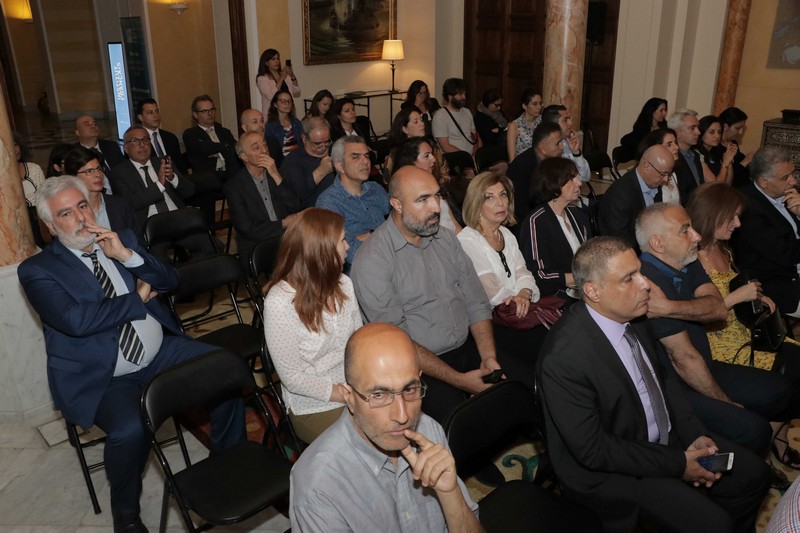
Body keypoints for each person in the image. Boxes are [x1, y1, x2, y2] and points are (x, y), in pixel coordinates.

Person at [17, 176, 245, 532]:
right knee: (129, 429)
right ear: (50, 226)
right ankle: (126, 512)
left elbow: (170, 281)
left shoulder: (122, 238)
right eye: (65, 213)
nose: (79, 217)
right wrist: (136, 299)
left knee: (227, 372)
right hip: (105, 375)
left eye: (82, 205)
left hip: (159, 352)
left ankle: (228, 466)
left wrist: (126, 256)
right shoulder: (37, 270)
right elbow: (77, 321)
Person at [538, 235, 770, 533]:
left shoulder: (635, 315)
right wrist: (677, 463)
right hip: (617, 469)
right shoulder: (564, 358)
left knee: (754, 476)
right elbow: (594, 450)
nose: (645, 284)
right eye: (629, 278)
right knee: (716, 525)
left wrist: (693, 433)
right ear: (593, 291)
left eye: (641, 272)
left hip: (664, 438)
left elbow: (663, 380)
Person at [351, 165, 534, 423]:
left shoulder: (445, 239)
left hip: (468, 347)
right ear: (397, 204)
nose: (436, 207)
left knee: (532, 388)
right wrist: (459, 381)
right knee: (461, 429)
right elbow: (398, 341)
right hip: (418, 367)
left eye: (436, 196)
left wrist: (488, 356)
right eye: (422, 200)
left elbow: (476, 303)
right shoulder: (373, 260)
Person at [289, 322, 481, 531]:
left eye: (409, 389)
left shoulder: (428, 429)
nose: (402, 416)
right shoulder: (318, 487)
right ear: (349, 398)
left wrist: (449, 493)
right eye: (379, 395)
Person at [636, 203, 790, 457]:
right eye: (685, 230)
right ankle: (741, 470)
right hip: (674, 387)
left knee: (782, 389)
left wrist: (669, 307)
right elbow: (684, 359)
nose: (697, 236)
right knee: (754, 429)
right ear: (658, 244)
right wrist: (728, 405)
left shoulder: (687, 259)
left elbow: (717, 308)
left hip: (704, 363)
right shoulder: (648, 283)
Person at [688, 181, 800, 471]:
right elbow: (698, 313)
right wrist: (740, 295)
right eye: (733, 217)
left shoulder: (724, 249)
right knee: (788, 374)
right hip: (719, 340)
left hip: (743, 328)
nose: (738, 224)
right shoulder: (691, 257)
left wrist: (761, 296)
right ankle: (766, 444)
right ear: (713, 216)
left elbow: (740, 288)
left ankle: (774, 434)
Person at [263, 208, 361, 444]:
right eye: (342, 240)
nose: (348, 246)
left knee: (394, 423)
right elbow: (293, 378)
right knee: (361, 445)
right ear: (321, 252)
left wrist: (366, 384)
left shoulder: (344, 283)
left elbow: (359, 341)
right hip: (313, 401)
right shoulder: (280, 303)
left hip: (354, 383)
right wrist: (343, 394)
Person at [732, 146, 800, 317]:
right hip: (779, 282)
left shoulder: (785, 190)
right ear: (763, 181)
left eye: (793, 173)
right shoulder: (748, 210)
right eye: (786, 177)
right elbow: (787, 256)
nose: (793, 181)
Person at [223, 131, 301, 269]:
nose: (264, 150)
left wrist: (276, 175)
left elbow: (297, 207)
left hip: (286, 238)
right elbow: (248, 229)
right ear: (244, 157)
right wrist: (283, 223)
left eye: (264, 145)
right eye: (256, 147)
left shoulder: (278, 174)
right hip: (256, 244)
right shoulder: (234, 187)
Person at [316, 136, 389, 272]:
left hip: (389, 261)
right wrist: (385, 231)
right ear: (340, 166)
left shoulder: (374, 188)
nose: (365, 162)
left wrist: (371, 234)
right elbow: (350, 253)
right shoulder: (328, 202)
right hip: (361, 272)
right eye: (356, 157)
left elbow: (400, 218)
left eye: (366, 156)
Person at [520, 158, 592, 296]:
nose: (579, 182)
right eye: (571, 179)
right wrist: (581, 278)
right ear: (554, 184)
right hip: (557, 297)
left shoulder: (577, 214)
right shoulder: (536, 222)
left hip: (582, 290)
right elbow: (539, 275)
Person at [597, 144, 673, 245]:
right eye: (663, 174)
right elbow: (620, 242)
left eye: (669, 174)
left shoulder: (654, 184)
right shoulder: (620, 195)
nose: (666, 179)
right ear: (646, 166)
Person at [63, 147, 139, 242]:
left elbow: (137, 244)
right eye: (89, 171)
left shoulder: (120, 206)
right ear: (73, 177)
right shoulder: (69, 214)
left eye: (99, 169)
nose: (98, 175)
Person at [392, 136, 462, 233]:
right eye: (426, 156)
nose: (433, 159)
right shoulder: (406, 195)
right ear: (411, 162)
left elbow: (454, 223)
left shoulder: (435, 185)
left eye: (431, 154)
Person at [506, 121, 564, 224]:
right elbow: (520, 206)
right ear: (543, 148)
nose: (562, 147)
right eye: (557, 143)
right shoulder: (521, 167)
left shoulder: (551, 161)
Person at [279, 116, 336, 207]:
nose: (323, 147)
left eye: (327, 142)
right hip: (313, 214)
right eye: (317, 144)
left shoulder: (334, 151)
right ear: (304, 138)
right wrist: (321, 171)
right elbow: (296, 198)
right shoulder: (293, 161)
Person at [182, 94, 241, 182]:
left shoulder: (224, 132)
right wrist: (225, 146)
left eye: (212, 110)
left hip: (231, 174)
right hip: (208, 178)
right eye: (205, 111)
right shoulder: (191, 134)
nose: (210, 114)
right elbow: (206, 148)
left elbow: (235, 149)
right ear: (195, 115)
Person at [432, 77, 480, 178]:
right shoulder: (440, 116)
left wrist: (476, 153)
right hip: (455, 159)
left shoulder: (467, 112)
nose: (464, 97)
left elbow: (474, 136)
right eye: (460, 94)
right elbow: (445, 147)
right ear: (450, 97)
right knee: (472, 174)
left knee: (502, 165)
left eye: (464, 94)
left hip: (471, 157)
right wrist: (467, 158)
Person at [135, 98, 188, 175]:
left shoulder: (170, 138)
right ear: (140, 117)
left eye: (157, 111)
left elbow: (181, 167)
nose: (156, 115)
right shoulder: (137, 141)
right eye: (150, 112)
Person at [540, 104, 591, 182]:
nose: (570, 123)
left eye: (569, 119)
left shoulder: (567, 143)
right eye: (565, 120)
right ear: (552, 124)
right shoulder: (544, 148)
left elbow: (585, 177)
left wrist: (576, 153)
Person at [72, 114, 124, 185]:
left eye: (94, 124)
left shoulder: (111, 146)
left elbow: (123, 169)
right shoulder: (73, 153)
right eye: (87, 125)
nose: (93, 126)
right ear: (77, 132)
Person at [637, 128, 681, 204]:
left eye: (675, 142)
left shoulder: (675, 172)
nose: (676, 147)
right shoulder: (651, 176)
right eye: (669, 144)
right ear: (655, 148)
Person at [666, 108, 702, 201]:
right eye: (692, 128)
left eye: (698, 127)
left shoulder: (695, 156)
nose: (698, 132)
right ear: (677, 132)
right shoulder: (670, 158)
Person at [619, 97, 668, 161]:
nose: (664, 113)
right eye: (661, 110)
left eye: (665, 110)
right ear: (652, 111)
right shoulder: (641, 127)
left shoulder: (664, 127)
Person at [256, 48, 300, 117]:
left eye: (278, 59)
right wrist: (281, 78)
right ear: (266, 63)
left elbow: (297, 91)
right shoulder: (262, 78)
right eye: (273, 59)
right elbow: (271, 96)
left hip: (288, 112)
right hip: (272, 115)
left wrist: (292, 75)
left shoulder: (283, 74)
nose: (277, 61)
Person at [264, 90, 303, 166]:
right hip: (282, 164)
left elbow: (301, 146)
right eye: (282, 101)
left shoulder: (296, 123)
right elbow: (273, 153)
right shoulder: (270, 126)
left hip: (298, 161)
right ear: (275, 104)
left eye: (289, 101)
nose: (287, 104)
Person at [696, 115, 736, 184]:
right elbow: (715, 186)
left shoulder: (717, 153)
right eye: (712, 132)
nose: (717, 136)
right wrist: (725, 165)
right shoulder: (696, 154)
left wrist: (729, 161)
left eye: (719, 132)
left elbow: (727, 184)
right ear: (701, 133)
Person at [506, 88, 543, 162]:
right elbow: (512, 159)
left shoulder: (542, 120)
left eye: (540, 103)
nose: (539, 107)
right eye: (535, 104)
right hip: (523, 166)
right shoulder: (514, 126)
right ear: (524, 106)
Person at [719, 106, 751, 186]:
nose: (740, 132)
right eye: (737, 128)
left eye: (742, 128)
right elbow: (730, 180)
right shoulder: (715, 147)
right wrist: (745, 162)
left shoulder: (733, 142)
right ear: (726, 127)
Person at [14, 133, 45, 208]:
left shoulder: (34, 169)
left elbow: (44, 198)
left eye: (15, 144)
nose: (17, 150)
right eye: (10, 145)